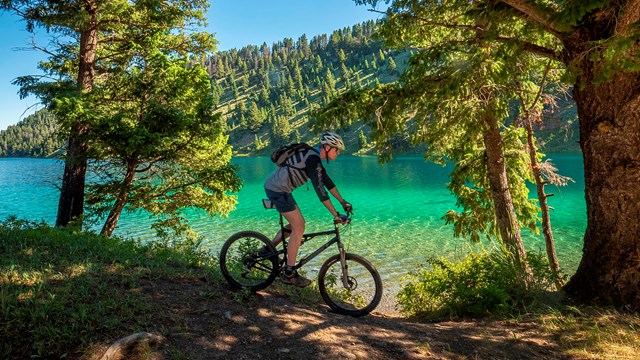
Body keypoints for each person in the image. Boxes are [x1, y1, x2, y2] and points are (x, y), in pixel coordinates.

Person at [264, 131, 353, 287]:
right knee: (299, 226)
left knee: (294, 225)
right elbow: (321, 191)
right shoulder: (312, 159)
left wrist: (343, 202)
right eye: (336, 149)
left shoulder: (314, 158)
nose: (338, 153)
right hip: (277, 190)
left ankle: (267, 249)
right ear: (326, 147)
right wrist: (335, 214)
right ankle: (289, 273)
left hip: (279, 188)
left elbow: (327, 183)